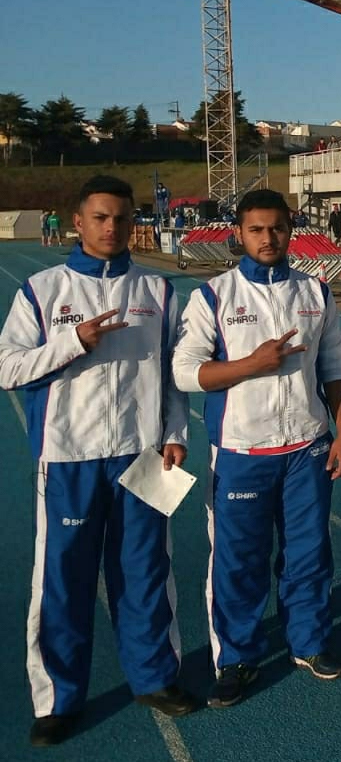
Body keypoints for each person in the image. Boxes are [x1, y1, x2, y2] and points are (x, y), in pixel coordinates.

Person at [0, 175, 196, 747]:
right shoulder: (41, 290)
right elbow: (8, 367)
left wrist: (176, 433)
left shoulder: (157, 292)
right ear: (78, 222)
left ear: (134, 222)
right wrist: (72, 342)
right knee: (63, 580)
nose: (112, 228)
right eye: (101, 218)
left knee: (145, 573)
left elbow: (171, 376)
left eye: (122, 218)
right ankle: (58, 699)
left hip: (141, 456)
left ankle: (155, 677)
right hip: (68, 459)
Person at [172, 189, 341, 708]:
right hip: (242, 451)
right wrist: (249, 365)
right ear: (239, 233)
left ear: (290, 230)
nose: (268, 238)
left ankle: (310, 642)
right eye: (256, 229)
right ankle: (237, 657)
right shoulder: (213, 296)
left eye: (276, 228)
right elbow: (184, 372)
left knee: (309, 554)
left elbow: (334, 369)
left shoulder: (316, 292)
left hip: (307, 448)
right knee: (238, 560)